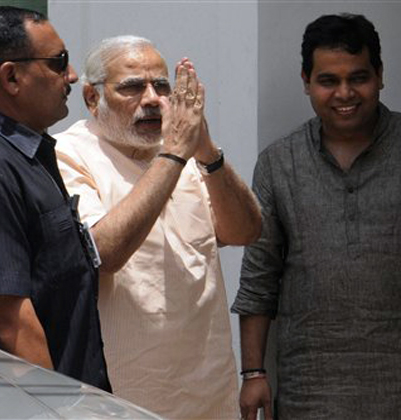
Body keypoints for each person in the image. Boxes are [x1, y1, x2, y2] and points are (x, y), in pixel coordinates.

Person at [232, 13, 401, 420]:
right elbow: (258, 281)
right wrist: (253, 374)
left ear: (380, 75)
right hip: (309, 390)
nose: (344, 93)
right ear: (306, 81)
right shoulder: (278, 164)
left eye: (358, 77)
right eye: (328, 81)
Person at [55, 35, 262, 419]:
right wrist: (174, 153)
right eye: (132, 87)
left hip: (207, 389)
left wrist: (207, 152)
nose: (152, 99)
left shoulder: (184, 150)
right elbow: (106, 252)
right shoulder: (67, 154)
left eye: (161, 86)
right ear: (92, 98)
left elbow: (245, 232)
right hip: (121, 395)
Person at [0, 6, 110, 391]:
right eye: (58, 62)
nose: (72, 76)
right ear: (12, 77)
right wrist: (55, 412)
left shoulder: (24, 154)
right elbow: (11, 322)